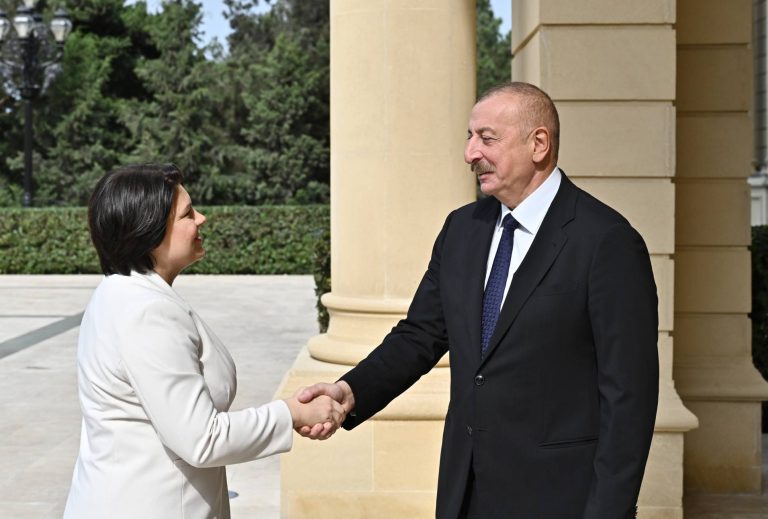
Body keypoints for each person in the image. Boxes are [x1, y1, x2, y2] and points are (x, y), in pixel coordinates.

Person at [298, 82, 659, 518]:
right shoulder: (461, 229)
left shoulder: (607, 241)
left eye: (487, 139)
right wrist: (350, 392)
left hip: (560, 498)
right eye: (470, 137)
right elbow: (419, 336)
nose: (470, 153)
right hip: (465, 493)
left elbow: (629, 397)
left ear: (539, 144)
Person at [64, 164, 344, 519]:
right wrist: (292, 413)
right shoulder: (147, 312)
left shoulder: (123, 294)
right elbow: (202, 438)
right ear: (149, 231)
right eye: (187, 214)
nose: (201, 219)